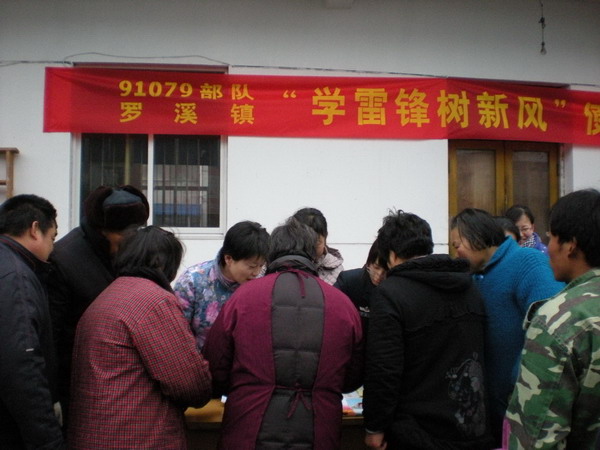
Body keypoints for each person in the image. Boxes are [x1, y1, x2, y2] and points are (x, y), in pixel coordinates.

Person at [203, 217, 363, 450]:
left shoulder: (243, 298)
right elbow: (353, 375)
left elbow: (216, 364)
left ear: (271, 254)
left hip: (249, 426)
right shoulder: (342, 305)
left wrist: (241, 388)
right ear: (312, 255)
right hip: (319, 429)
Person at [68, 226, 212, 449]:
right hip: (138, 437)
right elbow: (190, 383)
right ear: (164, 264)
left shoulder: (105, 296)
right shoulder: (154, 301)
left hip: (94, 435)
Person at [364, 210, 491, 450]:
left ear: (392, 255)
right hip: (470, 425)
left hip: (415, 431)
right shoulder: (470, 287)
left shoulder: (391, 294)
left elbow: (384, 368)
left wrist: (375, 426)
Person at [450, 208, 564, 446]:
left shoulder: (527, 262)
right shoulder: (476, 277)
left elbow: (552, 327)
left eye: (457, 244)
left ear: (476, 236)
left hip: (529, 406)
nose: (456, 252)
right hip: (493, 410)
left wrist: (516, 381)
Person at [505, 189, 600, 449]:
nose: (548, 248)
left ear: (570, 245)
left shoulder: (558, 320)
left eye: (552, 238)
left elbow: (536, 438)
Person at [48, 185, 149, 423]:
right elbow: (52, 335)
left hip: (121, 380)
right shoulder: (64, 260)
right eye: (124, 236)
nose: (130, 242)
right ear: (101, 231)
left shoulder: (128, 251)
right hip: (79, 381)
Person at [0, 194, 64, 449]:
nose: (53, 249)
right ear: (35, 229)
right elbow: (22, 367)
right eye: (53, 238)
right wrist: (49, 441)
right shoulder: (17, 278)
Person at [174, 220, 269, 349]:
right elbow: (178, 335)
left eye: (261, 266)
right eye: (251, 266)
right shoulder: (191, 282)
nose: (256, 273)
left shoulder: (262, 283)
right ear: (228, 259)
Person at [335, 238, 387, 336]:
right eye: (376, 267)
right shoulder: (348, 282)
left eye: (386, 271)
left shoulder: (396, 287)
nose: (379, 275)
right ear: (369, 263)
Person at [293, 207, 344, 284]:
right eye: (304, 242)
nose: (309, 248)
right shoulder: (281, 266)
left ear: (325, 237)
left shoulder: (337, 271)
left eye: (316, 242)